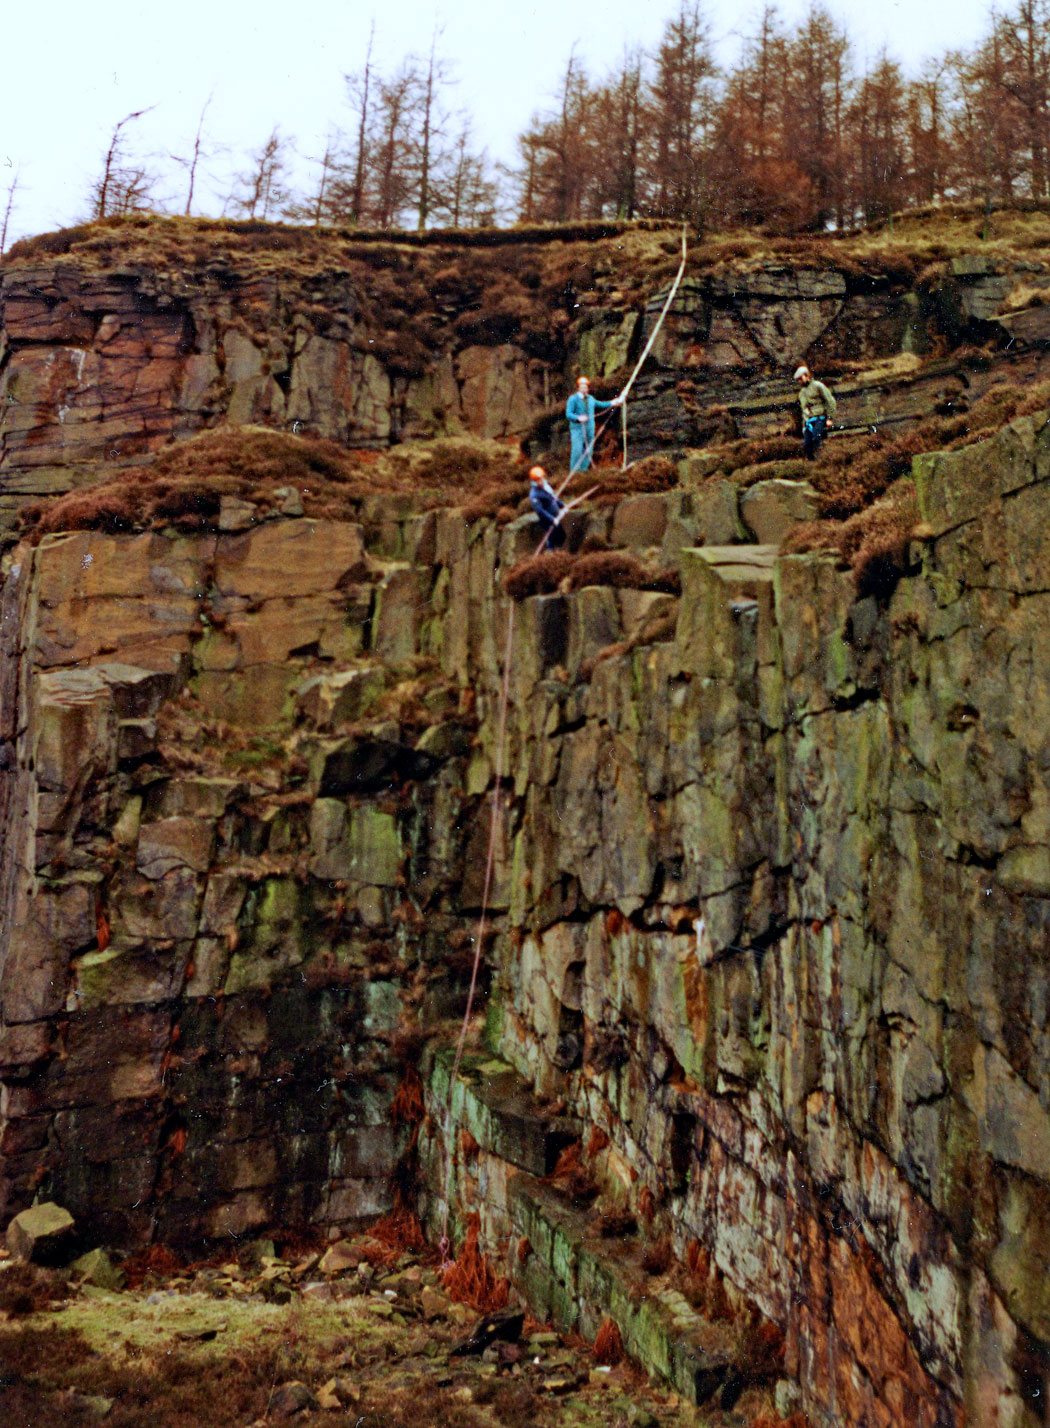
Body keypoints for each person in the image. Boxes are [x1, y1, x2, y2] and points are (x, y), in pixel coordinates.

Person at [565, 376, 622, 472]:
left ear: (588, 388)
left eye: (585, 387)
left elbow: (602, 404)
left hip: (590, 428)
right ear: (578, 388)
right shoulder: (573, 399)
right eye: (582, 387)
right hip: (578, 429)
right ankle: (574, 472)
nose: (584, 389)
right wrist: (578, 418)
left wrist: (614, 402)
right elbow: (568, 414)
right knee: (577, 450)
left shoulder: (591, 399)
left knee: (588, 451)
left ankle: (582, 471)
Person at [793, 365, 837, 459]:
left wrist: (830, 418)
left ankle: (821, 460)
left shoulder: (818, 386)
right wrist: (804, 426)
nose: (800, 381)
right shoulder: (801, 393)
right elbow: (803, 410)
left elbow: (830, 401)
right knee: (807, 445)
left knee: (816, 438)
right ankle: (812, 465)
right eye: (798, 380)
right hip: (808, 420)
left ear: (806, 375)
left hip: (819, 418)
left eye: (801, 378)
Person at [528, 465, 566, 549]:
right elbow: (540, 511)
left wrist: (562, 505)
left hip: (556, 517)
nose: (541, 482)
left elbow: (553, 497)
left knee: (561, 536)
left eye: (541, 479)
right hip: (548, 521)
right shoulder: (534, 495)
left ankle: (559, 554)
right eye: (538, 480)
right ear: (534, 481)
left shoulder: (546, 486)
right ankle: (551, 556)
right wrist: (552, 519)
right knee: (551, 540)